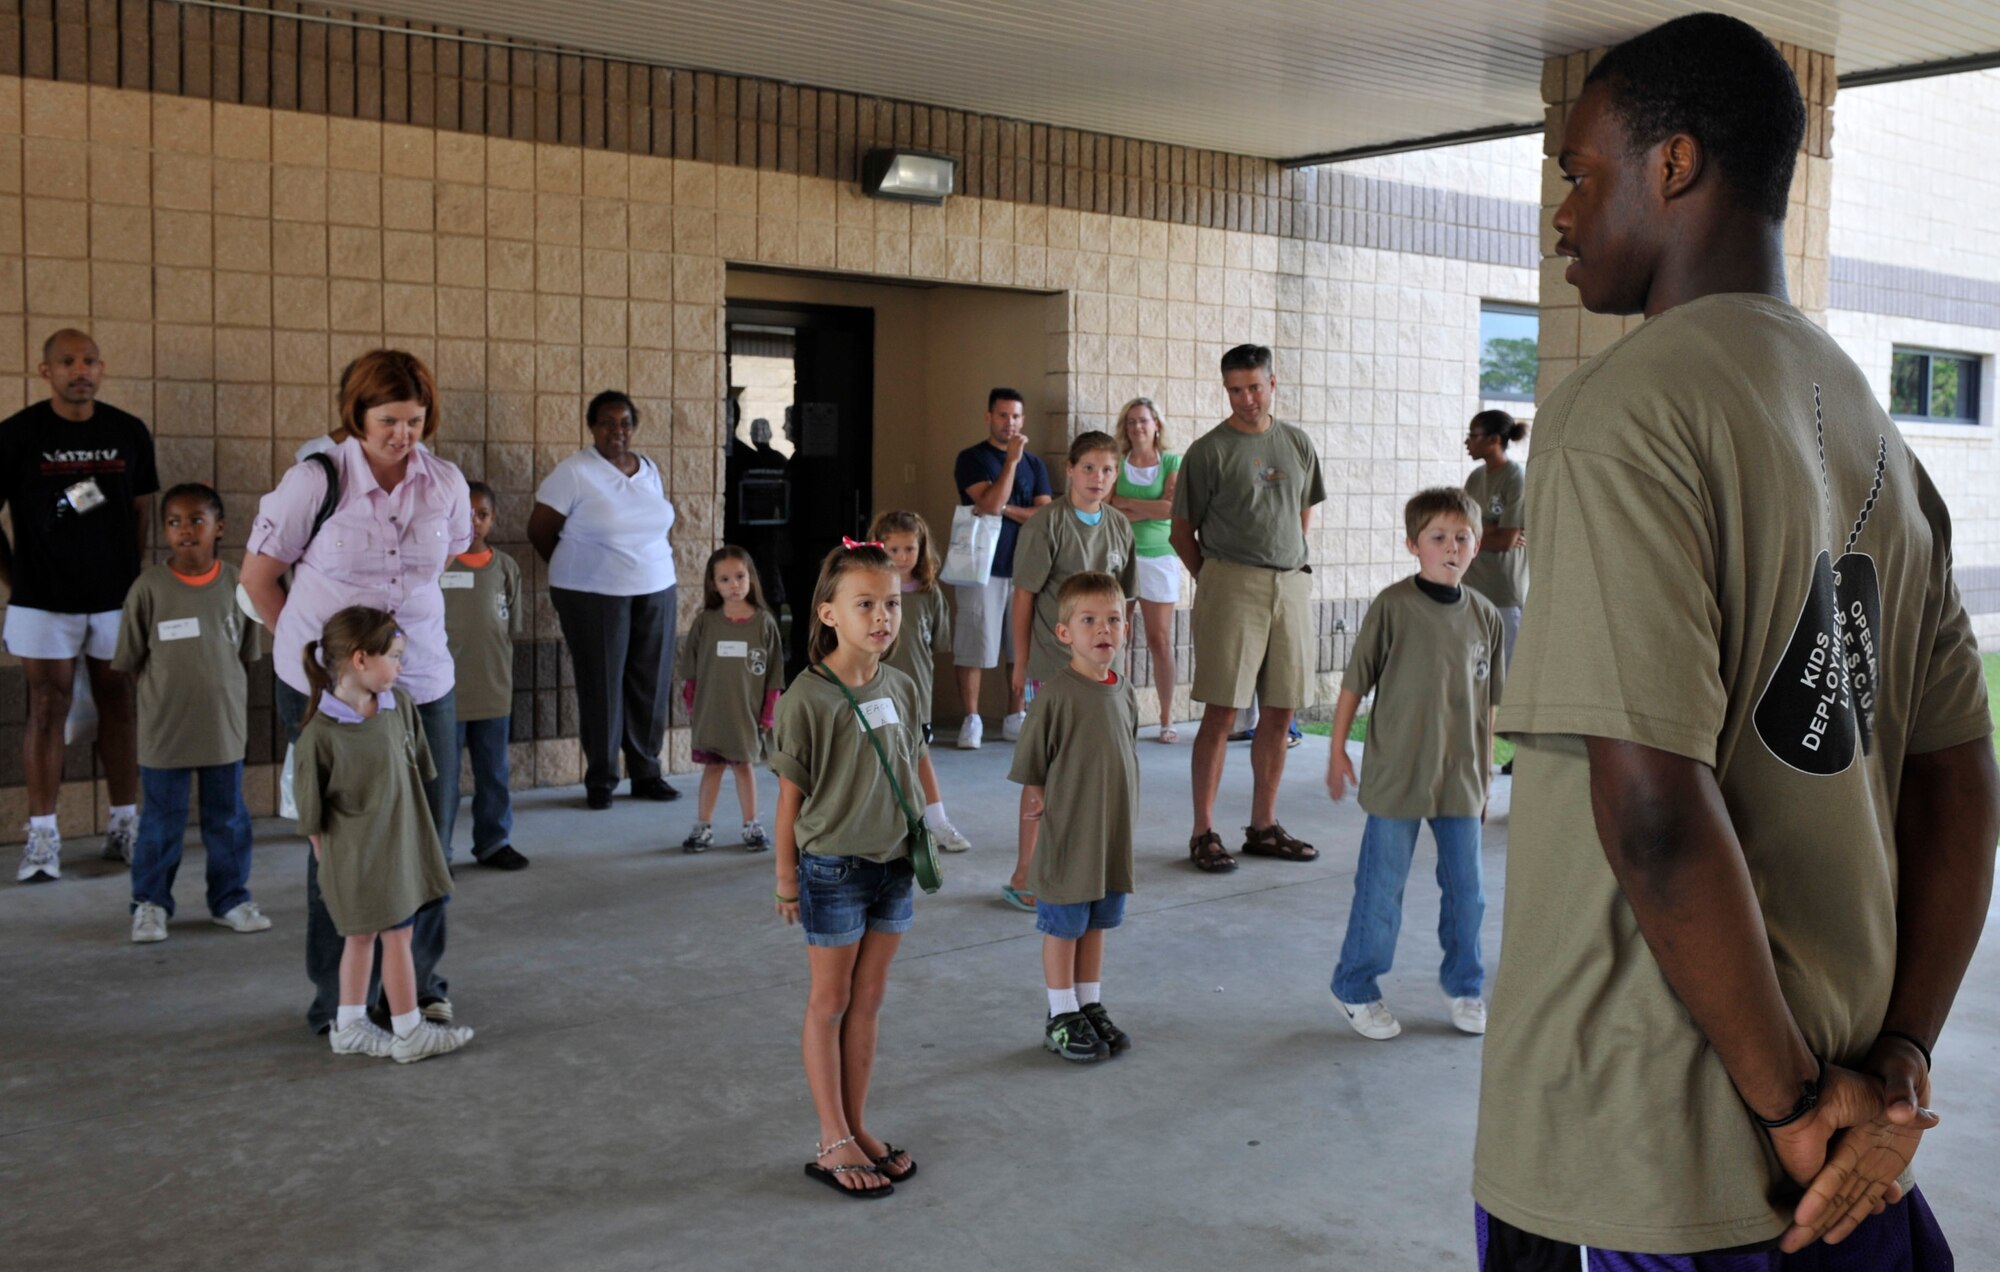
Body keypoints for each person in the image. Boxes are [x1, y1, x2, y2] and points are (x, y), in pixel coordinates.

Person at [1472, 15, 1999, 1268]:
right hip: (1845, 1134)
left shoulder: (1619, 414)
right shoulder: (1874, 433)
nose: (1559, 214)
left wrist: (1785, 1109)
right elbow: (1961, 785)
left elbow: (1652, 812)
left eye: (1578, 173)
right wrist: (1894, 1064)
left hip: (1645, 1145)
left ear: (1674, 166)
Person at [240, 348, 472, 1037]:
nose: (403, 435)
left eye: (415, 419)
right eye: (388, 421)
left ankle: (419, 989)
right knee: (341, 846)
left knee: (428, 841)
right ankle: (340, 1001)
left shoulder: (445, 483)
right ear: (356, 416)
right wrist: (322, 667)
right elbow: (258, 578)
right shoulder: (315, 480)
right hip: (330, 698)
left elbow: (446, 557)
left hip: (422, 681)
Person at [771, 542, 929, 1199]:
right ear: (829, 613)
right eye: (865, 604)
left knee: (868, 1001)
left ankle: (858, 1126)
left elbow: (915, 764)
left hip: (894, 865)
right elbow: (791, 801)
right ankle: (830, 1136)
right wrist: (786, 878)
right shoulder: (808, 697)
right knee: (830, 1002)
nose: (882, 617)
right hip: (833, 869)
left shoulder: (903, 685)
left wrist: (931, 828)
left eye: (890, 603)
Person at [1324, 488, 1502, 1041]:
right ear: (1413, 545)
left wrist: (1488, 769)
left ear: (1476, 545)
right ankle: (1355, 987)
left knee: (1467, 892)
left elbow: (1489, 701)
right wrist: (1335, 751)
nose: (1452, 547)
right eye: (1438, 537)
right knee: (1381, 889)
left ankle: (1465, 986)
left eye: (1462, 537)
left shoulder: (1487, 617)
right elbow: (1355, 682)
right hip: (1398, 776)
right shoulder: (1393, 606)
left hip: (1461, 779)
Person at [1, 329, 155, 880]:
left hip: (114, 599)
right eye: (67, 362)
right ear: (46, 372)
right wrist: (15, 578)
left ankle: (124, 824)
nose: (80, 370)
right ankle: (42, 837)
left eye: (89, 360)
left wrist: (130, 583)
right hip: (42, 602)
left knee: (120, 704)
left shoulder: (127, 432)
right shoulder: (17, 435)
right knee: (46, 706)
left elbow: (140, 513)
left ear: (102, 368)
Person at [1169, 344, 1327, 874]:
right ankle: (1203, 831)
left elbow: (1302, 512)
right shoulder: (1208, 451)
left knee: (1282, 709)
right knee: (1222, 710)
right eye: (1235, 389)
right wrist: (1214, 580)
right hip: (1229, 583)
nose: (1246, 399)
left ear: (1272, 383)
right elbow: (1179, 532)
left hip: (1292, 585)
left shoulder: (1298, 443)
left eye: (1254, 387)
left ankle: (1263, 825)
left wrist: (1288, 569)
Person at [294, 606, 475, 1064]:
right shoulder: (319, 736)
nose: (400, 666)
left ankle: (351, 1024)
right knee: (390, 936)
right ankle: (409, 1030)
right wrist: (335, 869)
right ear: (359, 660)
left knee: (375, 936)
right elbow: (312, 822)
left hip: (399, 855)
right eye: (393, 656)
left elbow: (419, 781)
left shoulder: (401, 710)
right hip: (357, 863)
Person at [112, 484, 268, 942]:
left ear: (218, 527)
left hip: (223, 731)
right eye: (174, 522)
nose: (185, 530)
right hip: (165, 734)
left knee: (228, 820)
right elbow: (131, 663)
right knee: (161, 822)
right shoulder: (148, 588)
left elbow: (244, 655)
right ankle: (151, 904)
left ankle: (231, 899)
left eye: (197, 520)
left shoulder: (239, 584)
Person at [528, 390, 682, 810]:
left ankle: (646, 771)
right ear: (592, 427)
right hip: (592, 594)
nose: (617, 431)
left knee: (649, 681)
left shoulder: (648, 469)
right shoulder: (574, 472)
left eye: (625, 423)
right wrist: (580, 570)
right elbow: (541, 531)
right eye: (607, 423)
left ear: (634, 427)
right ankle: (602, 779)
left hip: (655, 585)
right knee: (602, 685)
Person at [1009, 572, 1139, 1064]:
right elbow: (1033, 770)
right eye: (1089, 620)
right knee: (1064, 926)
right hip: (1069, 836)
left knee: (1096, 924)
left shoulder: (1123, 690)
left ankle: (1088, 1003)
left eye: (1113, 619)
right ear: (1065, 634)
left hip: (1109, 836)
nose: (1103, 629)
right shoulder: (1057, 696)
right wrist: (1035, 829)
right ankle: (1060, 1012)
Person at [1003, 431, 1136, 911]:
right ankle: (1025, 873)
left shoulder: (1120, 527)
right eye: (1088, 468)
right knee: (1046, 773)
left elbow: (1127, 599)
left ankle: (1080, 871)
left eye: (1107, 470)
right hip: (1053, 666)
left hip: (1104, 671)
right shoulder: (1047, 524)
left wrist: (1121, 651)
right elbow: (1023, 597)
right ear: (1069, 471)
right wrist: (1020, 664)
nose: (1097, 479)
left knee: (1090, 774)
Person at [950, 388, 1052, 749]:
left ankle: (1015, 715)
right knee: (974, 644)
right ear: (989, 417)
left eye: (1016, 416)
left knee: (1019, 647)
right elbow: (989, 502)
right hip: (981, 567)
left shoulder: (1036, 464)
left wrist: (1006, 509)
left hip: (1025, 569)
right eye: (1003, 415)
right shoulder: (972, 458)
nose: (1010, 423)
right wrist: (1009, 462)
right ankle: (972, 719)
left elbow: (1043, 514)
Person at [871, 510, 974, 854]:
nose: (901, 558)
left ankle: (938, 822)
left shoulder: (930, 594)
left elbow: (938, 642)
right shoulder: (868, 593)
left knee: (919, 756)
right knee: (872, 756)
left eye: (909, 549)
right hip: (874, 691)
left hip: (915, 694)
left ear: (921, 549)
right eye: (893, 549)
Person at [440, 481, 528, 871]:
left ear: (492, 520)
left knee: (493, 772)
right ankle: (436, 853)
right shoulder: (438, 564)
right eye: (465, 513)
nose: (473, 522)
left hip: (493, 691)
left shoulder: (506, 568)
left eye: (482, 514)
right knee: (442, 778)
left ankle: (494, 841)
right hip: (444, 693)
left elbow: (510, 628)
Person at [677, 546, 785, 852]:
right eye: (725, 579)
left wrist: (768, 713)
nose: (734, 584)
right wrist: (693, 706)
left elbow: (774, 675)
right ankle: (703, 826)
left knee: (743, 767)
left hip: (745, 716)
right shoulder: (706, 623)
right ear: (713, 584)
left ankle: (752, 825)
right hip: (711, 714)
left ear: (751, 578)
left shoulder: (764, 623)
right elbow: (691, 674)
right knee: (712, 769)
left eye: (740, 576)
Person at [1107, 397, 1184, 742]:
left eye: (1144, 420)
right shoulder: (1117, 463)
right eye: (1131, 421)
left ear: (1156, 425)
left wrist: (1129, 504)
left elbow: (1171, 508)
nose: (1137, 427)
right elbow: (1108, 508)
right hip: (1121, 556)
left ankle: (1167, 718)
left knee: (1160, 640)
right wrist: (1148, 507)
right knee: (1116, 638)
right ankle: (1120, 713)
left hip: (1160, 557)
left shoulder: (1171, 461)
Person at [1460, 409, 1529, 666]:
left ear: (1494, 440)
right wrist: (1489, 528)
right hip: (1471, 587)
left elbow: (1506, 541)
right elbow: (1461, 527)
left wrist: (1476, 533)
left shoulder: (1515, 478)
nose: (1467, 442)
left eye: (1473, 435)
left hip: (1503, 593)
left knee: (1502, 674)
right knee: (1474, 671)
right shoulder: (1476, 478)